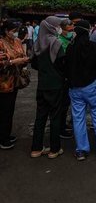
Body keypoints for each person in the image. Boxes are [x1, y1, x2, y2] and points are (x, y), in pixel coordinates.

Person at [65, 20, 96, 161]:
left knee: (78, 119)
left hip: (75, 88)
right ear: (88, 30)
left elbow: (66, 67)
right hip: (93, 86)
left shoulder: (70, 48)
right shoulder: (94, 46)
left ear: (76, 31)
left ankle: (81, 150)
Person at [30, 16, 66, 159]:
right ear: (52, 27)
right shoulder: (55, 43)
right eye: (58, 25)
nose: (60, 28)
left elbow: (33, 64)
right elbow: (62, 64)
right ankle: (54, 149)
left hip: (42, 84)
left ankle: (36, 149)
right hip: (56, 84)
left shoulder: (37, 43)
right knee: (55, 116)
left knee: (40, 116)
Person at [0, 19, 29, 150]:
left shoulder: (17, 41)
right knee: (4, 110)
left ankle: (6, 134)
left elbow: (22, 54)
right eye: (13, 31)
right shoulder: (1, 42)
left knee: (10, 109)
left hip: (15, 81)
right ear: (6, 31)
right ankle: (2, 138)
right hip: (3, 83)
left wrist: (23, 60)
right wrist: (13, 62)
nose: (16, 33)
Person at [58, 19, 75, 139]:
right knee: (62, 104)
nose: (72, 30)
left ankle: (62, 125)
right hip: (62, 76)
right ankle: (60, 128)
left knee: (66, 103)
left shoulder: (70, 39)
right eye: (70, 29)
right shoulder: (59, 41)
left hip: (68, 76)